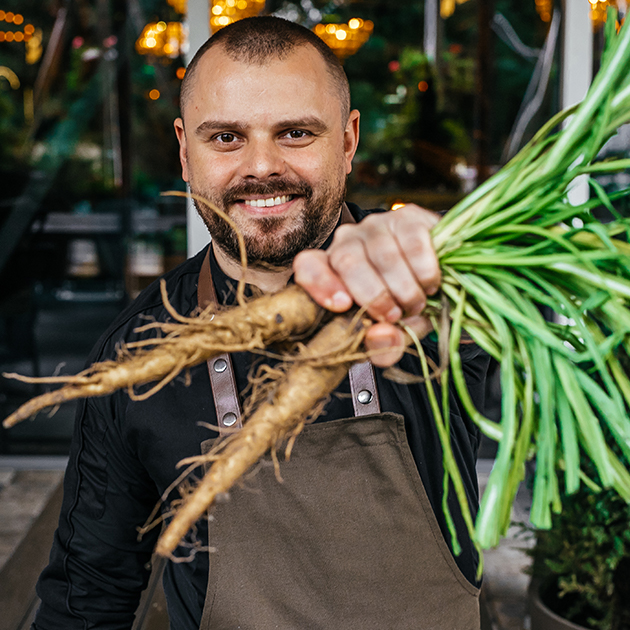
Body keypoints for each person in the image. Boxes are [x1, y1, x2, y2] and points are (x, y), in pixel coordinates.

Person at [32, 16, 489, 630]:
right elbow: (88, 597)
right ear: (185, 152)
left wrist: (465, 277)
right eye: (226, 138)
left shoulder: (434, 300)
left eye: (296, 132)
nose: (263, 167)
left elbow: (582, 363)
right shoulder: (135, 354)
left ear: (349, 141)